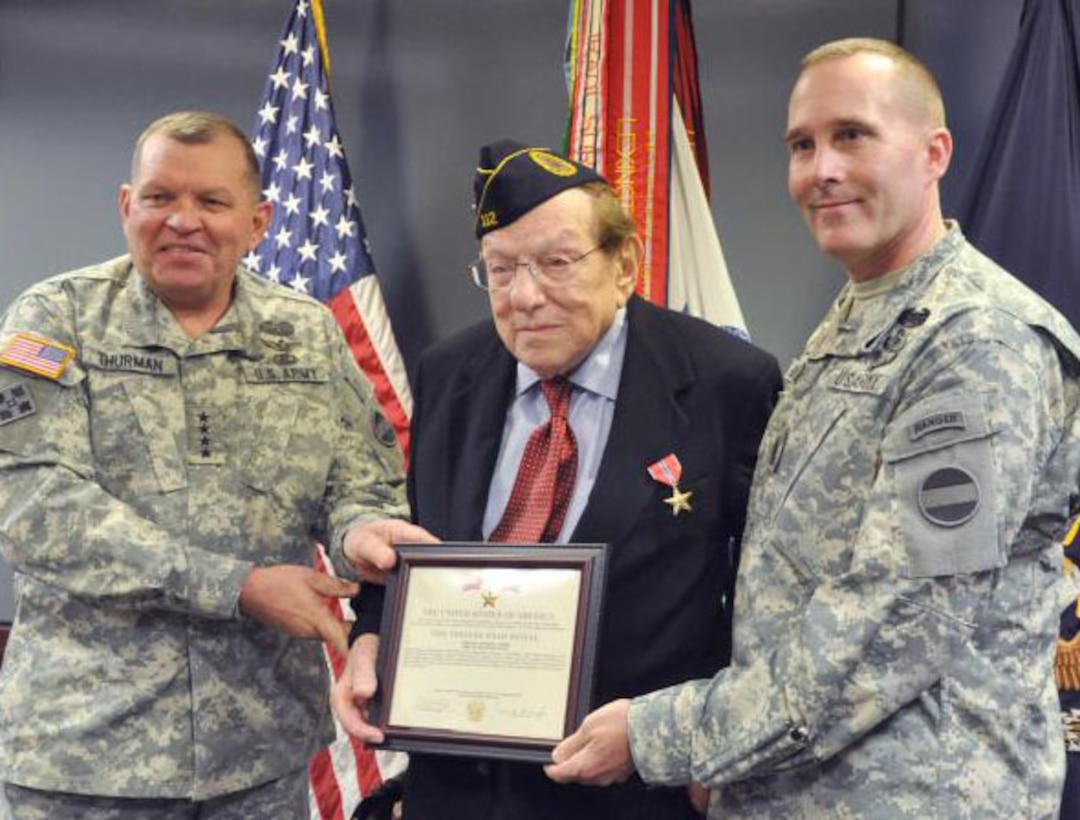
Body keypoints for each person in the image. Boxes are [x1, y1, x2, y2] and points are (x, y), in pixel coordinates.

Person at [544, 37, 1080, 819]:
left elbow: (893, 628)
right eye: (802, 144)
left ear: (934, 153)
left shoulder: (976, 341)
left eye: (852, 135)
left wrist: (671, 734)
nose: (821, 169)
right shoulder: (866, 311)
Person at [332, 140, 781, 819]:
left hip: (628, 796)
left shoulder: (727, 383)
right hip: (457, 792)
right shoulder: (449, 373)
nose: (526, 297)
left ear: (624, 263)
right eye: (501, 270)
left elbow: (766, 598)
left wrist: (705, 745)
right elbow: (418, 553)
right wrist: (371, 636)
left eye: (557, 264)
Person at [0, 111, 431, 818]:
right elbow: (34, 509)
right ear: (125, 206)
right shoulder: (54, 321)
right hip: (87, 758)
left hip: (259, 755)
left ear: (259, 221)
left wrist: (360, 532)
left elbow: (359, 481)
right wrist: (237, 586)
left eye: (211, 202)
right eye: (160, 197)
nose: (182, 221)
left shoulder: (305, 333)